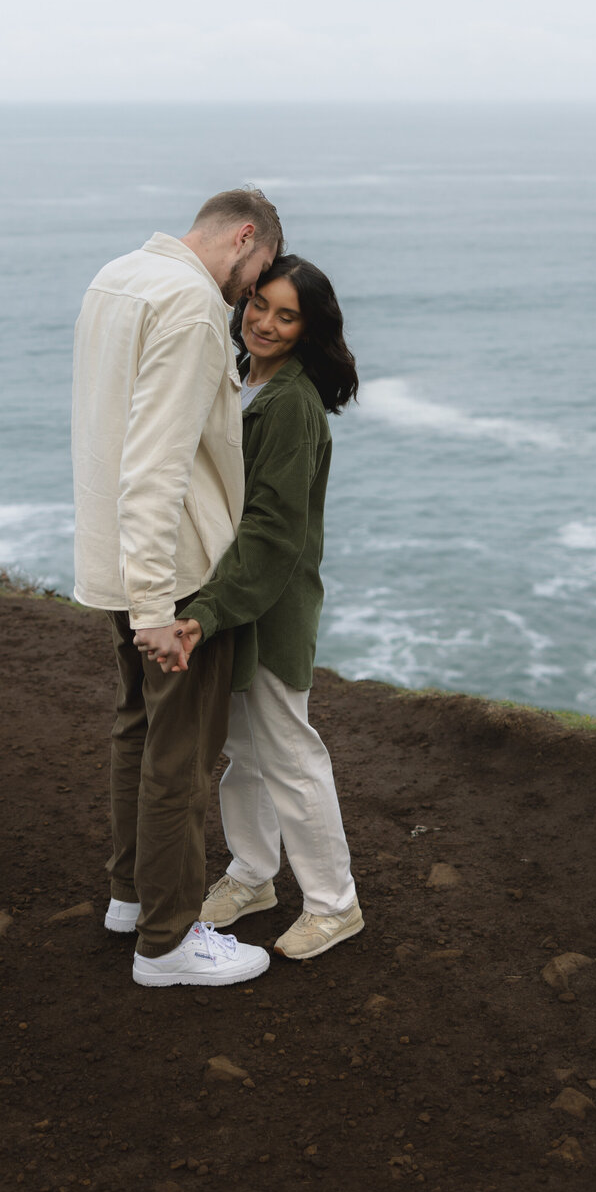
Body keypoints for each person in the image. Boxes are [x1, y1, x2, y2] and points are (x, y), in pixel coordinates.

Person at [71, 188, 282, 988]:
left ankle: (131, 895)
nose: (252, 297)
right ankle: (165, 942)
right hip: (175, 574)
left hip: (116, 558)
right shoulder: (194, 306)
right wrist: (160, 607)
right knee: (180, 759)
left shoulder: (117, 275)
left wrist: (132, 589)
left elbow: (108, 430)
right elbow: (158, 460)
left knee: (136, 729)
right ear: (246, 236)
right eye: (256, 275)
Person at [138, 255, 363, 963]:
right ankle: (254, 877)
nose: (263, 321)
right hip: (233, 599)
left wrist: (203, 613)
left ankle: (335, 904)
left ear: (308, 328)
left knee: (292, 754)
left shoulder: (291, 404)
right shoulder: (245, 376)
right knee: (244, 754)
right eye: (258, 304)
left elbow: (270, 536)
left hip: (267, 606)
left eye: (285, 313)